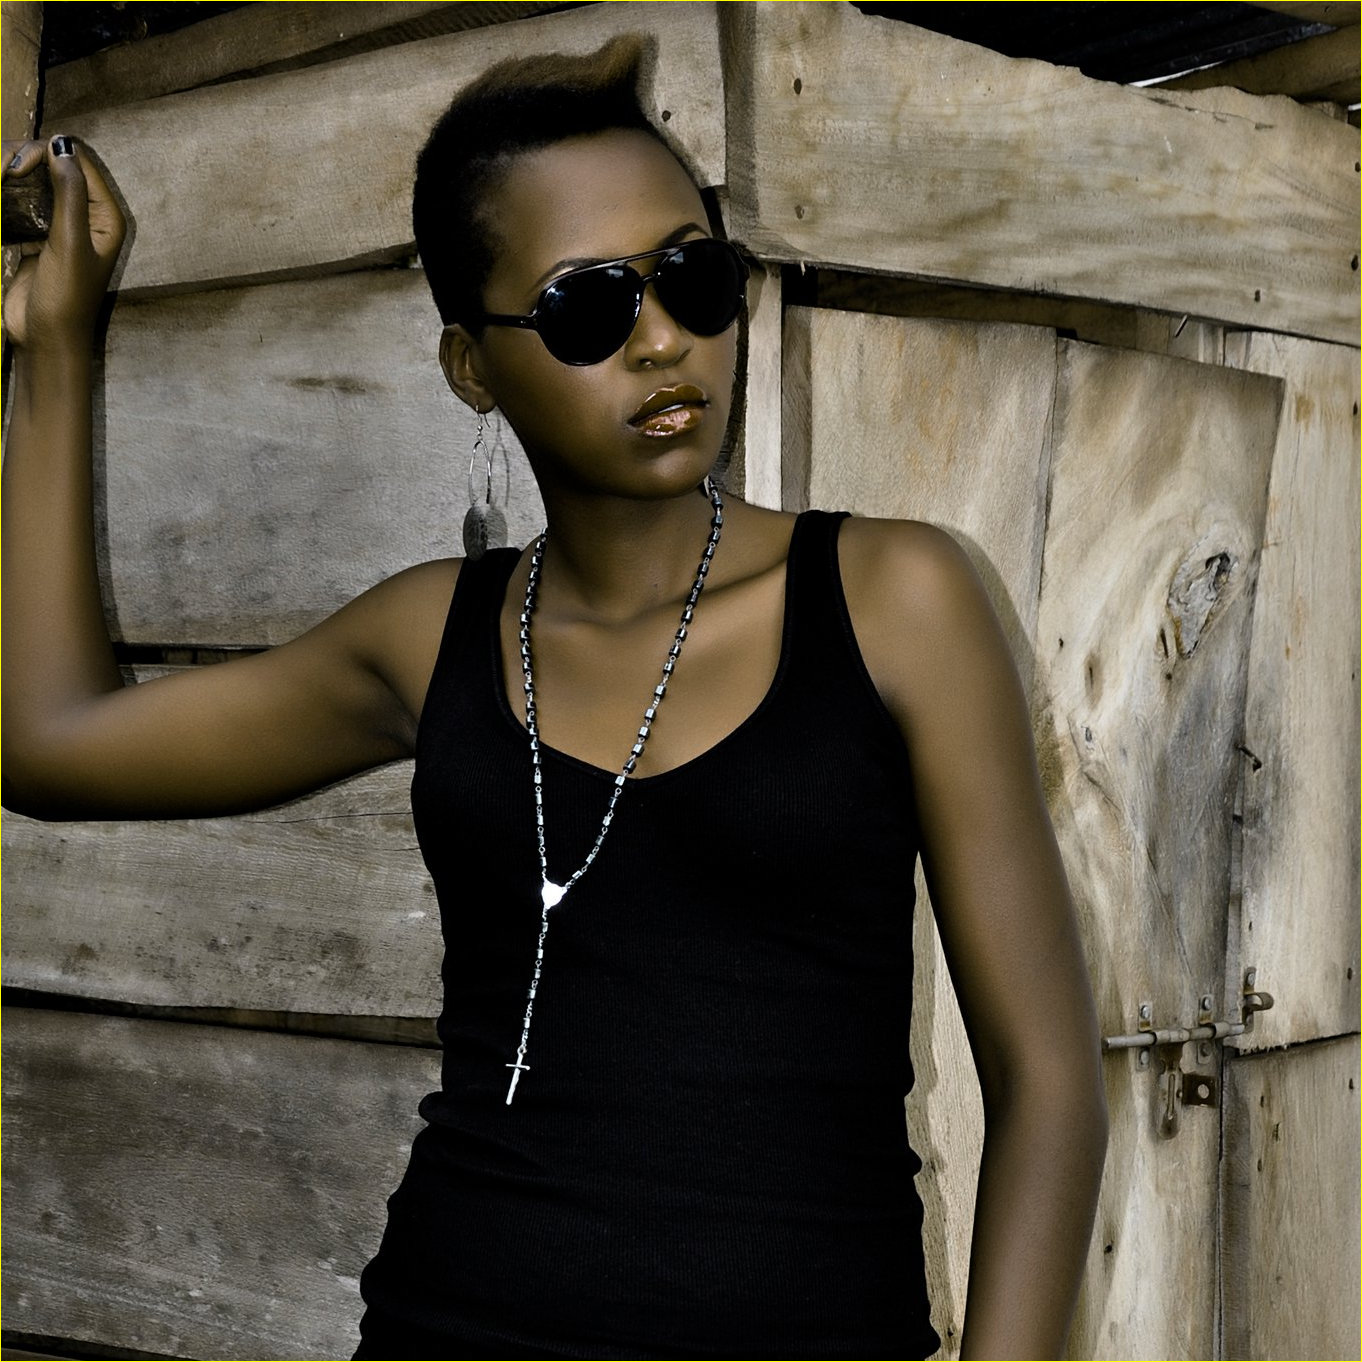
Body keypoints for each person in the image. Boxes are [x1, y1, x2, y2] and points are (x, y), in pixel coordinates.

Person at [2, 36, 1107, 1361]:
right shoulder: (432, 637)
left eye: (693, 278)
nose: (663, 340)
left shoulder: (896, 599)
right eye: (588, 308)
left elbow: (1049, 1083)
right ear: (473, 366)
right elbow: (49, 744)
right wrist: (57, 344)